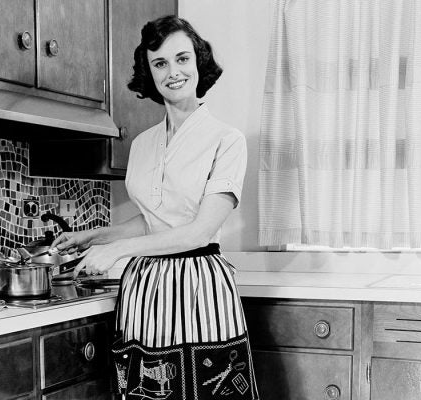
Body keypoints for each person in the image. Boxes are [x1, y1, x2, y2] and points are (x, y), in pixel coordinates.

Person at [50, 15, 259, 399]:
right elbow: (154, 221)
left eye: (182, 59)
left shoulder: (226, 140)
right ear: (149, 73)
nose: (173, 72)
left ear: (198, 62)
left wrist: (116, 250)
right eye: (159, 63)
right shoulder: (144, 144)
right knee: (148, 389)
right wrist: (95, 235)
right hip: (147, 290)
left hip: (199, 287)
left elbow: (197, 230)